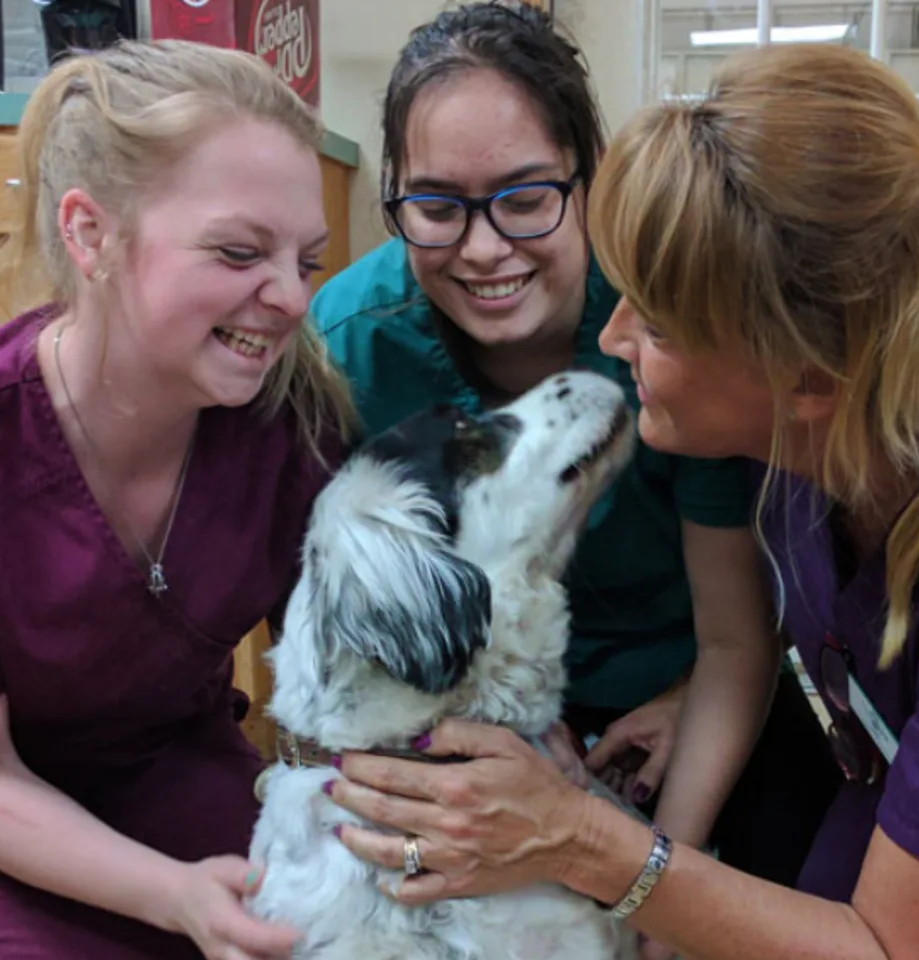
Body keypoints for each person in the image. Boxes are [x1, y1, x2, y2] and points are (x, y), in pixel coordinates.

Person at [318, 41, 919, 960]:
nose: (614, 342)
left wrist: (585, 842)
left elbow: (890, 950)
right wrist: (676, 716)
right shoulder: (836, 447)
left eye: (656, 324)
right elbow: (833, 648)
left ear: (806, 377)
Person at [0, 40, 354, 960]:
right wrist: (172, 894)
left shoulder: (289, 425)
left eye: (306, 259)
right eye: (238, 251)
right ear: (90, 233)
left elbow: (344, 674)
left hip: (157, 748)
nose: (293, 299)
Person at [306, 4, 841, 916]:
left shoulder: (667, 337)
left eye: (524, 199)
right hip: (458, 723)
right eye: (436, 207)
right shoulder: (352, 344)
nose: (483, 249)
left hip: (687, 702)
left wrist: (664, 879)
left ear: (589, 180)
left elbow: (733, 638)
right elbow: (345, 622)